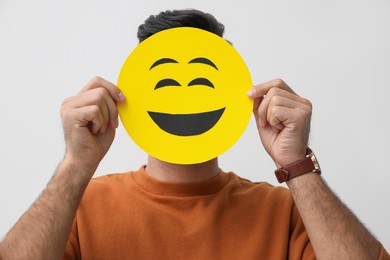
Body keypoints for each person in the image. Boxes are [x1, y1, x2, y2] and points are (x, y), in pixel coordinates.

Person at [0, 9, 388, 260]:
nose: (185, 97)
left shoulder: (285, 211)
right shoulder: (80, 208)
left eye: (203, 81)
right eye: (166, 83)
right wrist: (74, 166)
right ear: (129, 96)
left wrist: (297, 165)